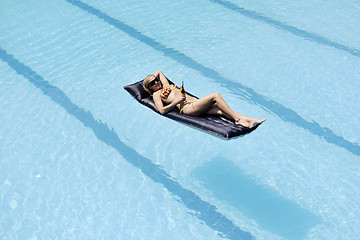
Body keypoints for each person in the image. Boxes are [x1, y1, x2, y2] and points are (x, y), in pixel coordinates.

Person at [143, 71, 265, 128]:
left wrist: (152, 77)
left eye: (156, 80)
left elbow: (159, 72)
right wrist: (176, 102)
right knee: (215, 95)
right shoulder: (156, 94)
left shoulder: (166, 86)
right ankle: (238, 120)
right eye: (153, 83)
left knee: (220, 110)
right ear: (150, 87)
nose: (157, 82)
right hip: (187, 108)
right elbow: (162, 110)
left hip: (195, 103)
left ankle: (249, 120)